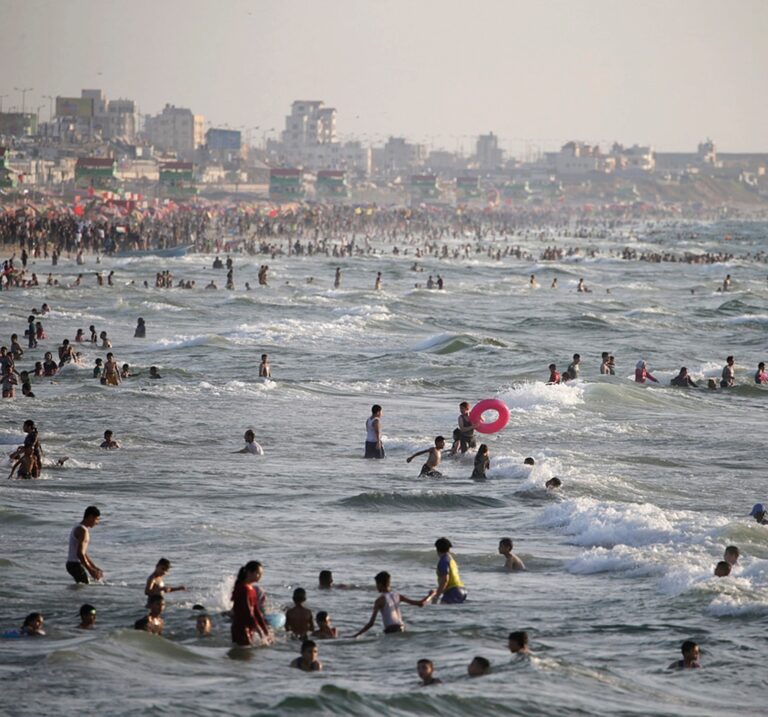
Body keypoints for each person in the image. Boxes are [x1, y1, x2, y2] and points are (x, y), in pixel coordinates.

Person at [352, 571, 434, 637]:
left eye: (376, 584)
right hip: (401, 628)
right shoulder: (397, 595)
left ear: (380, 584)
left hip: (391, 631)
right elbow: (420, 604)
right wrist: (430, 595)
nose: (376, 587)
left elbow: (371, 623)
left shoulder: (379, 600)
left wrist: (356, 635)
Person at [230, 561, 270, 646]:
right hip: (241, 628)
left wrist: (266, 631)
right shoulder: (243, 589)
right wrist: (258, 629)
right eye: (258, 573)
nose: (260, 576)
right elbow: (248, 611)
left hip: (248, 626)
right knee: (244, 654)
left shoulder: (251, 589)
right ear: (249, 573)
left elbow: (256, 611)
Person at [66, 506, 103, 584]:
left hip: (72, 564)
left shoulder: (78, 527)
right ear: (90, 517)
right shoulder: (83, 531)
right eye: (97, 519)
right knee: (84, 587)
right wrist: (90, 570)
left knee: (82, 588)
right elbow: (79, 554)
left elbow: (83, 553)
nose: (97, 522)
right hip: (75, 564)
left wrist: (94, 567)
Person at [433, 537, 467, 604]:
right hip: (462, 590)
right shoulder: (451, 559)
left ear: (437, 549)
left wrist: (436, 596)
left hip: (453, 591)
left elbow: (445, 580)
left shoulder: (443, 561)